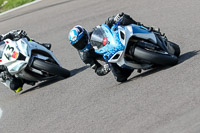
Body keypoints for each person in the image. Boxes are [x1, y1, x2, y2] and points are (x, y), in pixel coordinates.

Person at [68, 13, 160, 82]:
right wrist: (104, 69)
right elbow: (97, 69)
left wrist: (114, 19)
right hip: (111, 58)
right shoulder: (85, 56)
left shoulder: (94, 32)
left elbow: (105, 27)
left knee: (123, 18)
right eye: (77, 45)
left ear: (85, 34)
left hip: (115, 42)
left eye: (82, 41)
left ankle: (147, 28)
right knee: (120, 78)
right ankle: (132, 66)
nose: (81, 45)